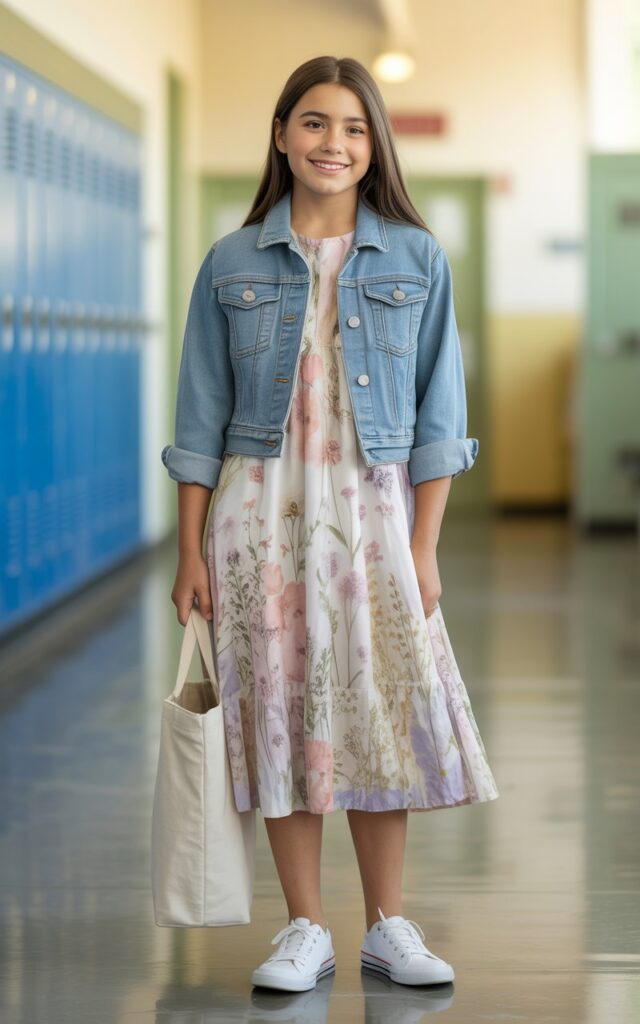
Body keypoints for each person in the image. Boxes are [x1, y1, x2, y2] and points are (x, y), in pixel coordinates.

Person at [161, 54, 499, 994]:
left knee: (375, 710)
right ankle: (304, 926)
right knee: (280, 712)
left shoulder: (416, 258)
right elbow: (197, 421)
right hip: (254, 520)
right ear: (280, 135)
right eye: (314, 123)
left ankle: (388, 924)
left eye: (353, 128)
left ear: (374, 144)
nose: (333, 144)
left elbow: (440, 419)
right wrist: (188, 547)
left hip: (374, 516)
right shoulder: (230, 262)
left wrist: (423, 548)